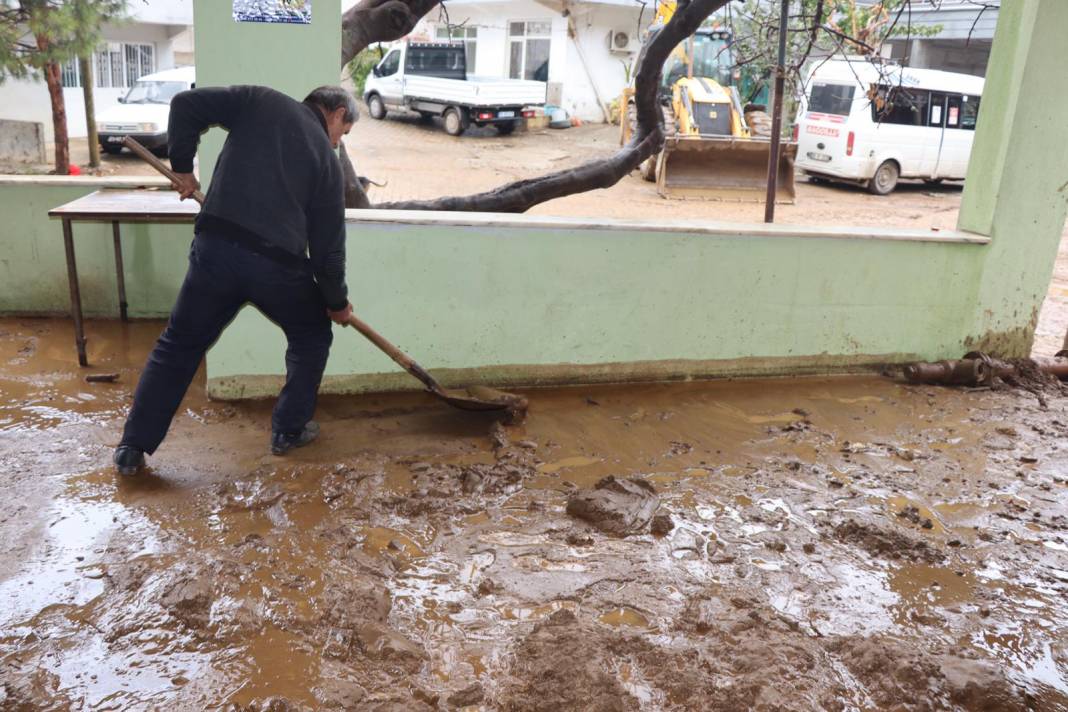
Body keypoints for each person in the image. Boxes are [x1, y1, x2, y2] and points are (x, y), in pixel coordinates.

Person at [113, 84, 357, 475]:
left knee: (178, 344)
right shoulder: (327, 166)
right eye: (342, 133)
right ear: (337, 113)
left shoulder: (260, 100)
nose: (336, 143)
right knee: (312, 336)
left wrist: (181, 166)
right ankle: (288, 431)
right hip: (277, 268)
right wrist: (335, 302)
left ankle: (133, 446)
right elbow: (328, 252)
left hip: (217, 252)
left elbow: (185, 104)